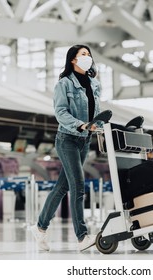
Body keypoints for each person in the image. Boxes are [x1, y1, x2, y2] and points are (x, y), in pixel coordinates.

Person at [30, 44, 101, 252]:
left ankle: (40, 227)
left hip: (85, 140)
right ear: (73, 60)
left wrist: (98, 125)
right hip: (67, 139)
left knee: (62, 187)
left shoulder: (94, 83)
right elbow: (60, 112)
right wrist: (80, 124)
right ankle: (82, 237)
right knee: (78, 185)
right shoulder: (64, 84)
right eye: (83, 54)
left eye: (89, 54)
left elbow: (96, 111)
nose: (88, 57)